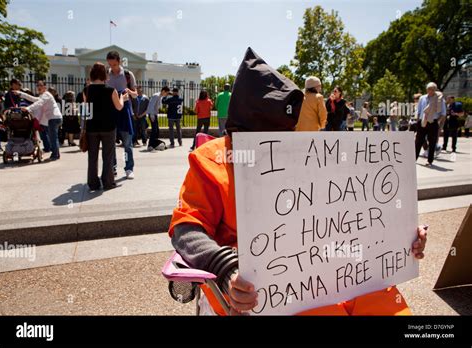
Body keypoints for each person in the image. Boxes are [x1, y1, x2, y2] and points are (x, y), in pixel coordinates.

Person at [168, 47, 427, 316]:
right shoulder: (210, 161)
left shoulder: (307, 156)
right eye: (270, 139)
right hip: (262, 291)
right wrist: (225, 267)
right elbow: (186, 229)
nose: (282, 147)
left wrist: (399, 233)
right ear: (240, 133)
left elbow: (348, 214)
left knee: (389, 307)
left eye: (286, 136)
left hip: (339, 270)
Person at [84, 62, 127, 191]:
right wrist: (122, 98)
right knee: (108, 156)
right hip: (108, 127)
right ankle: (108, 182)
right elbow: (119, 107)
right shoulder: (111, 90)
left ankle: (93, 183)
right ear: (105, 74)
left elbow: (87, 110)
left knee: (92, 157)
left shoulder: (86, 90)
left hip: (92, 127)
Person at [106, 50, 137, 179]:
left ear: (119, 62)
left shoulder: (128, 75)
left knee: (127, 144)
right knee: (111, 143)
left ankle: (128, 168)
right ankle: (112, 167)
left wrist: (129, 91)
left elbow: (135, 95)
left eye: (114, 64)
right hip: (111, 111)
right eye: (109, 64)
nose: (111, 67)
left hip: (125, 112)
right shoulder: (106, 75)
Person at [18, 81, 63, 160]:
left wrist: (28, 108)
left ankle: (55, 155)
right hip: (54, 118)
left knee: (53, 137)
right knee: (53, 137)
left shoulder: (46, 95)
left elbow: (39, 103)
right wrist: (21, 94)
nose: (38, 87)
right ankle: (56, 154)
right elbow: (33, 99)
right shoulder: (43, 95)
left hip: (54, 118)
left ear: (45, 87)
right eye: (37, 85)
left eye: (41, 85)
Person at [415, 82, 446, 166]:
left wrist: (437, 121)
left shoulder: (439, 99)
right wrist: (418, 119)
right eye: (429, 89)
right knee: (418, 141)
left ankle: (430, 161)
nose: (431, 91)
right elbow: (419, 110)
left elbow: (443, 113)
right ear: (427, 90)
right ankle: (414, 159)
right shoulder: (422, 98)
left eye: (433, 89)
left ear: (435, 90)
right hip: (422, 121)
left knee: (432, 142)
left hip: (433, 122)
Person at [146, 86, 170, 152]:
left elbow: (156, 106)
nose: (166, 95)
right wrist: (152, 115)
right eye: (166, 93)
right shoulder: (156, 96)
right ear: (163, 91)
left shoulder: (160, 97)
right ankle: (150, 146)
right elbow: (151, 105)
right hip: (152, 114)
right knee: (154, 130)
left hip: (154, 114)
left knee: (157, 130)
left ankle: (154, 145)